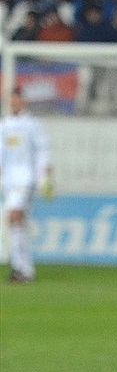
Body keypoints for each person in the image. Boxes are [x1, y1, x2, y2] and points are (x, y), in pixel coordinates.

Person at [0, 86, 54, 284]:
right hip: (10, 182)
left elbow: (43, 150)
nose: (14, 103)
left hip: (26, 179)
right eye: (11, 100)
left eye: (17, 100)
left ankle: (20, 268)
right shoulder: (4, 125)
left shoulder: (32, 125)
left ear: (23, 101)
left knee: (14, 216)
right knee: (15, 223)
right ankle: (23, 269)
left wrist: (45, 177)